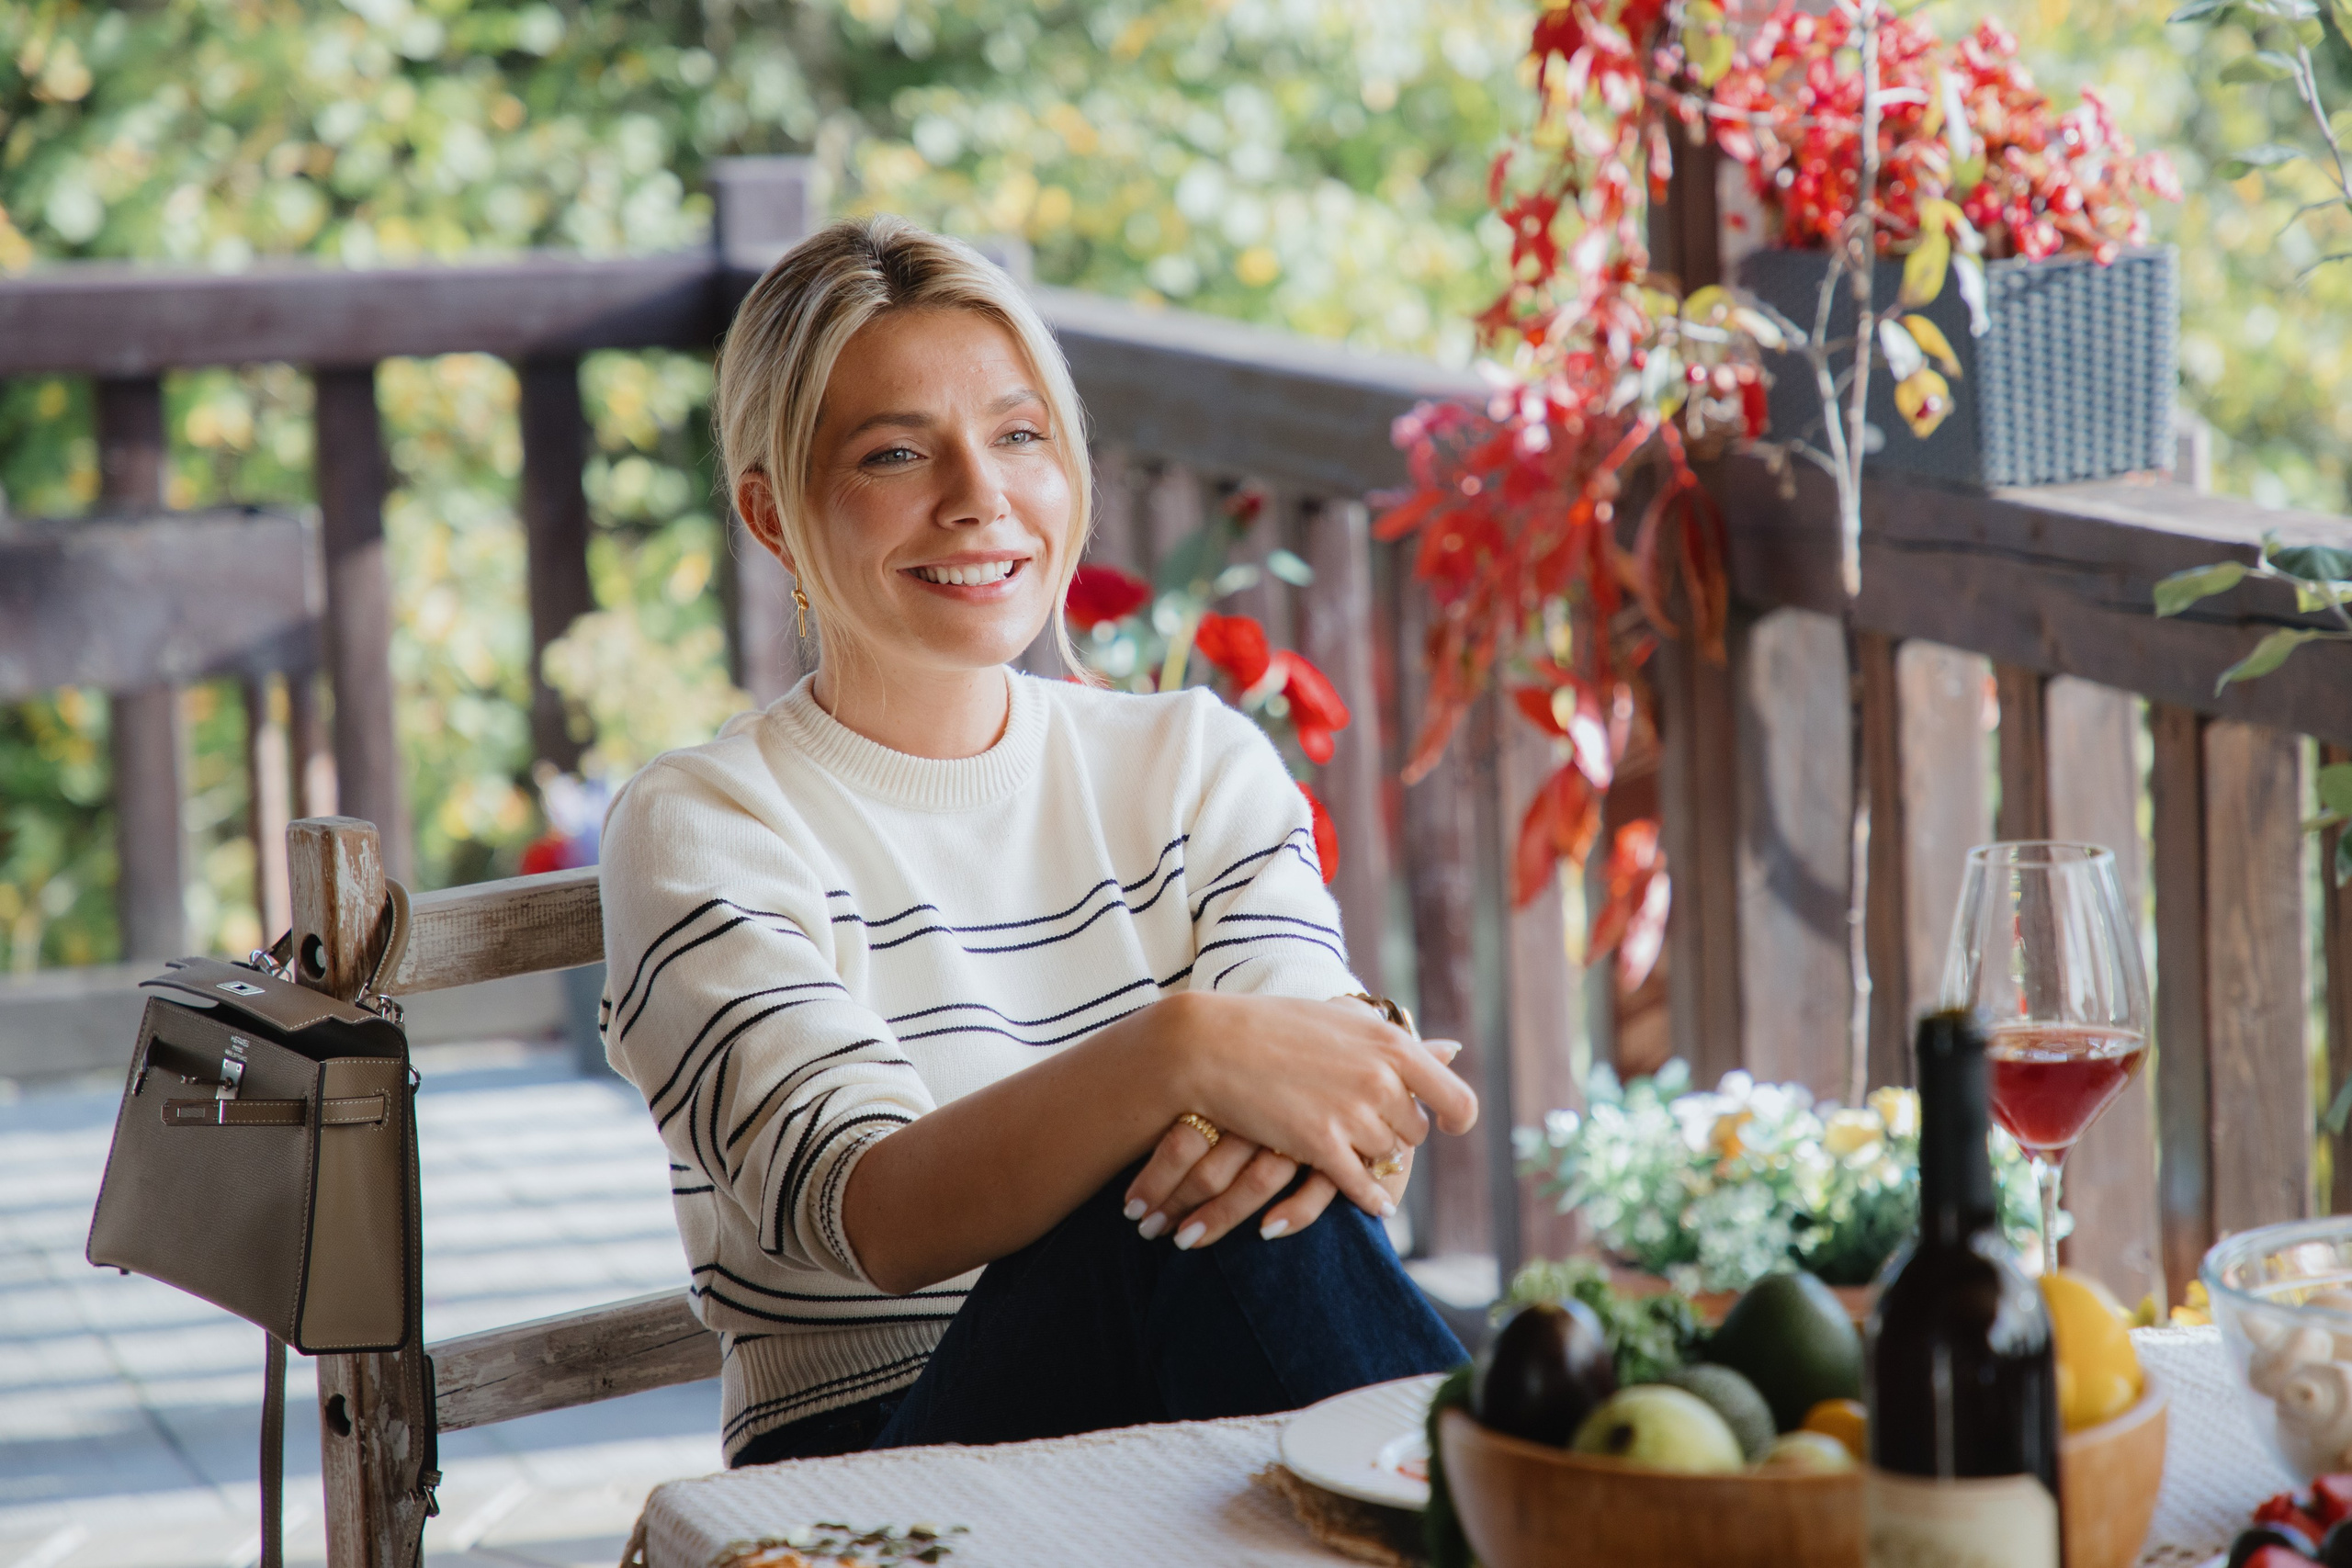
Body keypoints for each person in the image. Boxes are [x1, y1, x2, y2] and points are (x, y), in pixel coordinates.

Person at [595, 215, 1479, 1467]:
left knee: (1260, 1212)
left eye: (1019, 438)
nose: (979, 500)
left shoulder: (1193, 761)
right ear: (774, 516)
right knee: (1167, 1226)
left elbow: (1320, 1103)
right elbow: (877, 1214)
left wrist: (1262, 1075)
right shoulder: (707, 823)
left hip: (1199, 1433)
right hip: (883, 1463)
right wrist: (1184, 1049)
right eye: (898, 453)